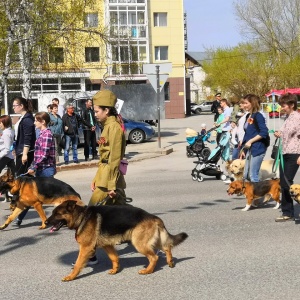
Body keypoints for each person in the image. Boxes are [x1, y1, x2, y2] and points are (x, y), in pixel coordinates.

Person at [83, 90, 127, 266]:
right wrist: (95, 177)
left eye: (97, 111)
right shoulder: (107, 126)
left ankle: (89, 255)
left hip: (109, 180)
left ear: (107, 111)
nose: (95, 114)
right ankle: (150, 237)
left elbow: (115, 159)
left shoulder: (114, 128)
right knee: (128, 214)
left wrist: (111, 185)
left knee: (89, 217)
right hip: (105, 176)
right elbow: (104, 158)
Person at [15, 112, 56, 226]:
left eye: (36, 121)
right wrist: (32, 166)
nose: (34, 123)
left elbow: (44, 155)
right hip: (41, 169)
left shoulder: (47, 134)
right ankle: (20, 217)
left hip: (46, 170)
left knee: (54, 197)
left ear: (42, 122)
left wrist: (34, 167)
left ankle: (64, 217)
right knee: (33, 196)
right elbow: (37, 155)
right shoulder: (41, 134)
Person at [274, 93, 300, 222]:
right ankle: (288, 211)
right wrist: (279, 134)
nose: (282, 108)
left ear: (291, 105)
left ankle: (288, 212)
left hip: (294, 153)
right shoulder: (288, 117)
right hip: (285, 153)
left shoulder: (297, 118)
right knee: (284, 183)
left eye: (283, 105)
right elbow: (286, 133)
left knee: (287, 183)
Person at [240, 94, 269, 183]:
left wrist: (251, 141)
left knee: (253, 175)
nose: (244, 105)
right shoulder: (249, 116)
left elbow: (263, 132)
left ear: (253, 103)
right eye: (243, 103)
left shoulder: (258, 116)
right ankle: (253, 195)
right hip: (250, 149)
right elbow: (248, 133)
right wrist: (243, 149)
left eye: (246, 103)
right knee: (246, 175)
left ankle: (257, 195)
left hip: (258, 148)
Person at [12, 97, 36, 176]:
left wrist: (25, 154)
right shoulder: (22, 118)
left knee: (22, 178)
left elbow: (27, 138)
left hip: (25, 152)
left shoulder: (27, 119)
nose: (13, 107)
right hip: (20, 150)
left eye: (15, 105)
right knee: (21, 177)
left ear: (21, 106)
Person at [0, 115, 15, 187]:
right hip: (9, 156)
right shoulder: (10, 131)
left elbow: (7, 149)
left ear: (5, 123)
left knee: (13, 174)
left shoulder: (6, 133)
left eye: (0, 123)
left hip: (5, 156)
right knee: (14, 174)